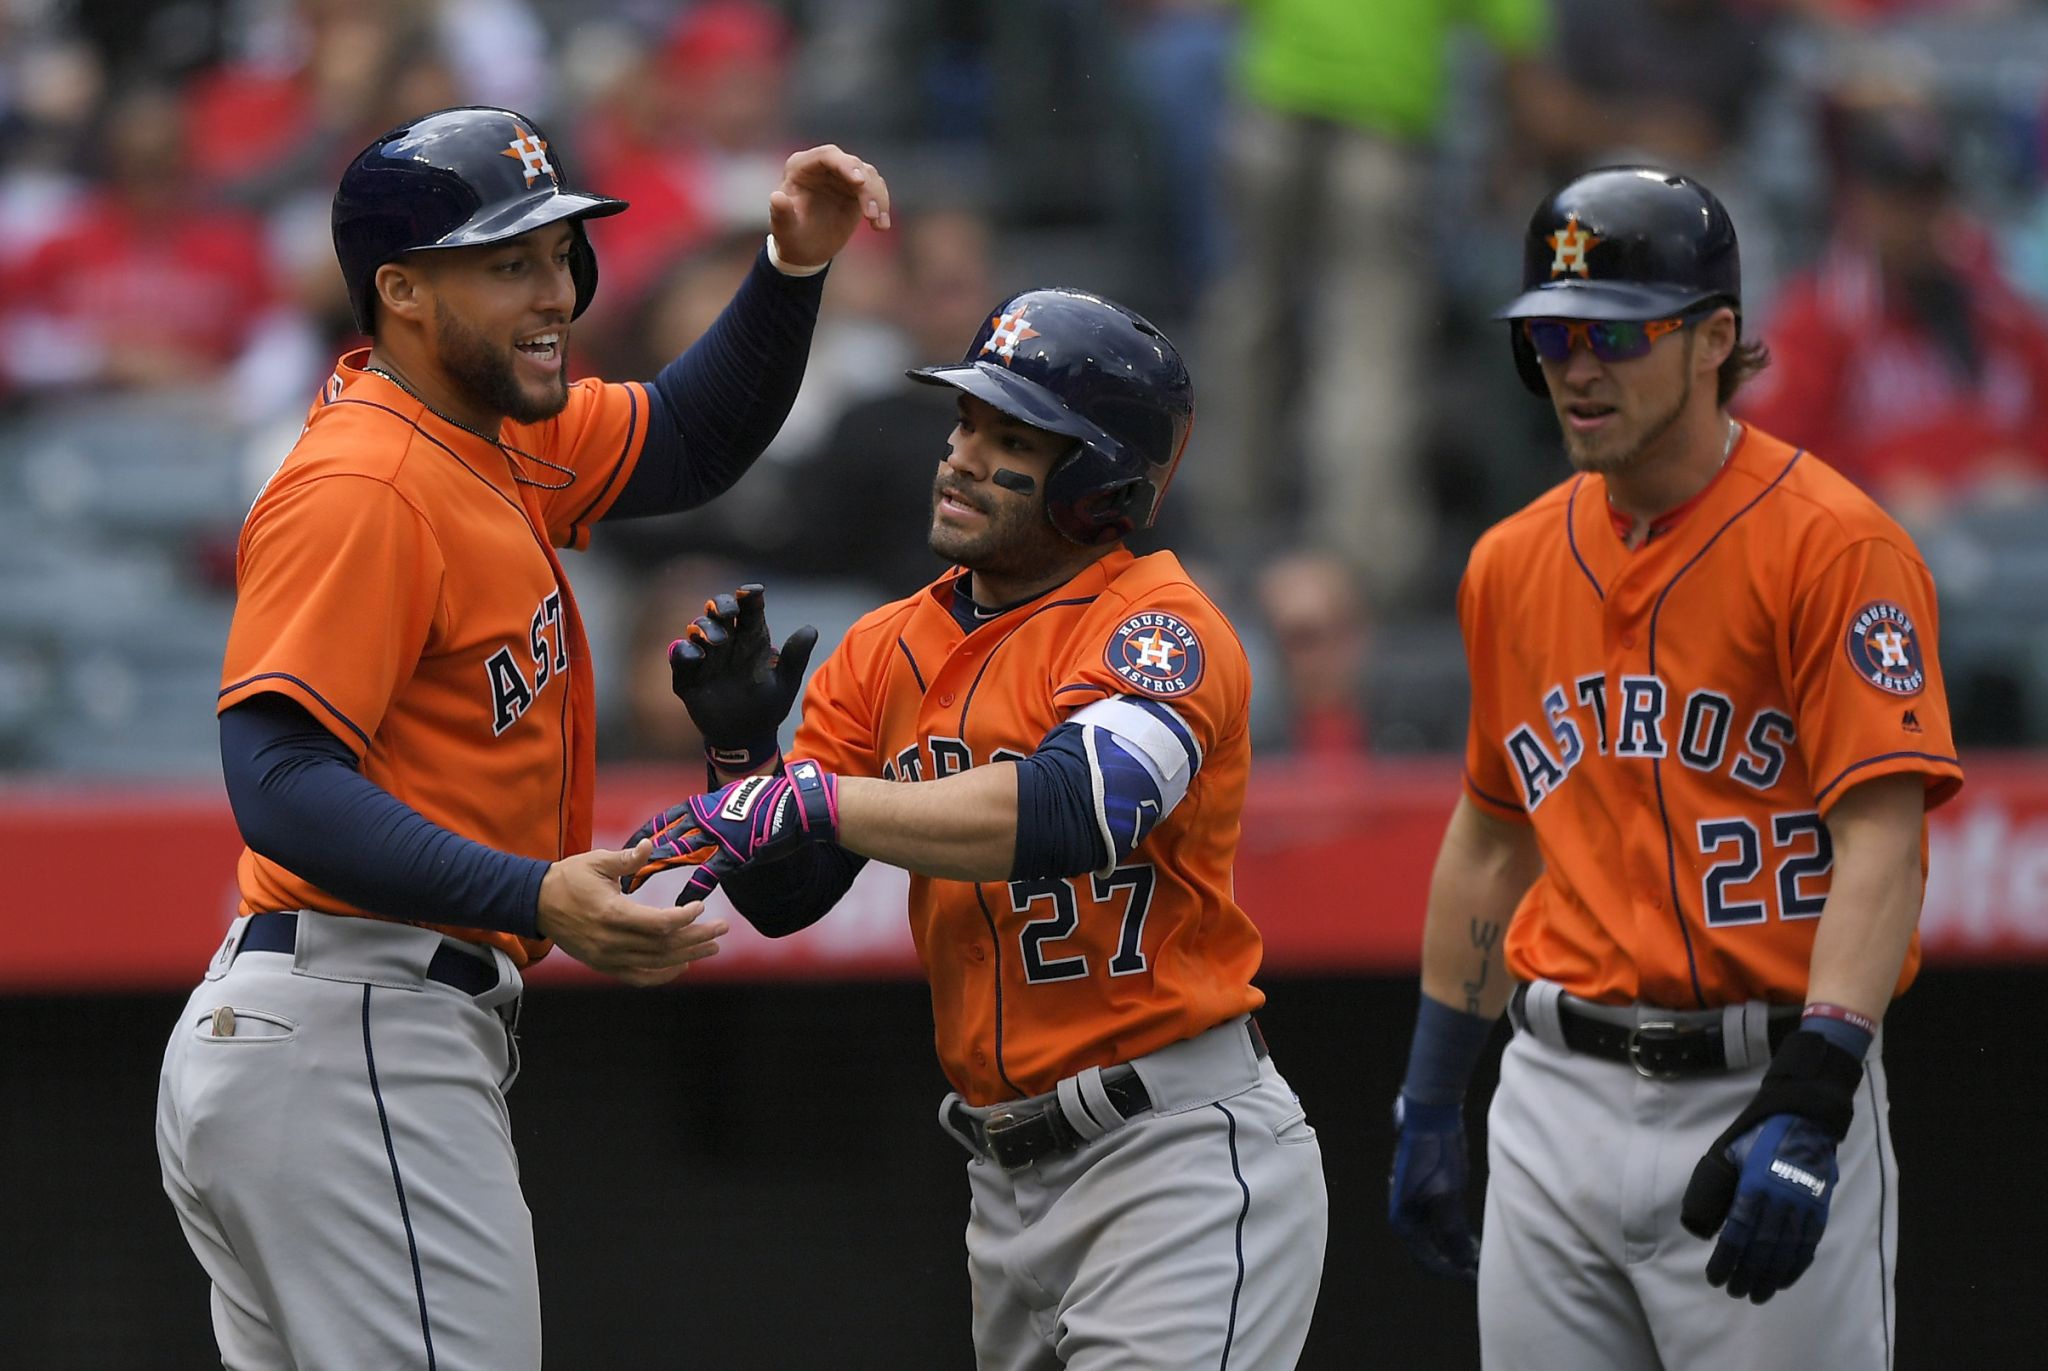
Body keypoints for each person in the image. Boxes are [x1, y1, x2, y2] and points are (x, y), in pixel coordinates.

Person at [154, 105, 889, 1370]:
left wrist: (790, 268)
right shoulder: (366, 484)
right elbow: (276, 782)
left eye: (558, 254)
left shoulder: (491, 431)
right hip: (359, 1023)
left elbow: (689, 438)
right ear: (401, 292)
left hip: (337, 1033)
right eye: (508, 264)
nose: (554, 290)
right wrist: (533, 891)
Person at [630, 288, 1329, 1368]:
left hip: (1171, 1154)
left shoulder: (1160, 627)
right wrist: (742, 758)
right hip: (1002, 1178)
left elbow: (1075, 807)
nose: (960, 456)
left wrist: (812, 796)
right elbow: (785, 899)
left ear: (1098, 477)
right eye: (963, 423)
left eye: (1010, 438)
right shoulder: (880, 646)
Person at [1387, 166, 1965, 1369]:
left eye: (1611, 334)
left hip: (1760, 1085)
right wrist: (1432, 1094)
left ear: (1713, 341)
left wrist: (1815, 1092)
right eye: (1548, 337)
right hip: (1553, 1090)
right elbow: (1492, 836)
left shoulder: (1834, 547)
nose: (1574, 368)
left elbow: (1882, 839)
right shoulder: (1507, 565)